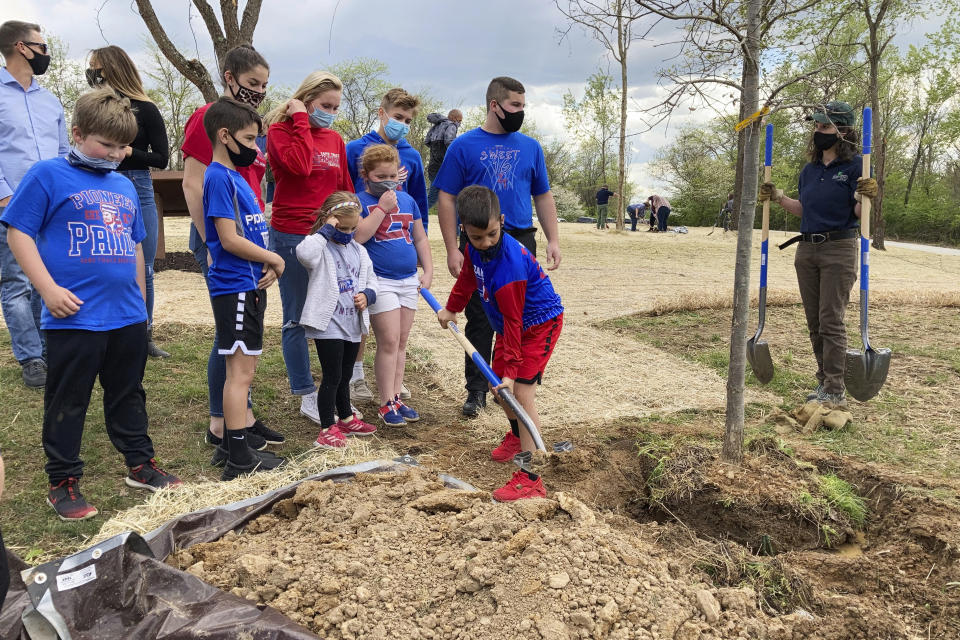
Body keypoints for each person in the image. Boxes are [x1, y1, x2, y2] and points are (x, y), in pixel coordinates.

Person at [1, 89, 182, 520]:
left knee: (128, 394)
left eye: (124, 147)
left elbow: (136, 245)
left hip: (126, 316)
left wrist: (140, 300)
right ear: (78, 134)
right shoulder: (46, 175)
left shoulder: (121, 183)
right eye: (108, 145)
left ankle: (140, 464)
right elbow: (18, 234)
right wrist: (46, 290)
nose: (117, 154)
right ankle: (63, 480)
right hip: (74, 317)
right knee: (69, 399)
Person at [434, 76, 561, 417]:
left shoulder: (531, 147)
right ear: (495, 105)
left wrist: (553, 239)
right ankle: (477, 389)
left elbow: (543, 194)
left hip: (518, 238)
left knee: (513, 314)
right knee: (479, 317)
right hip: (476, 239)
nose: (520, 112)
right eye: (515, 105)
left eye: (523, 106)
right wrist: (452, 248)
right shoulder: (463, 146)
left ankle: (515, 379)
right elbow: (445, 196)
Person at [181, 44, 283, 452]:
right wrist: (212, 244)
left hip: (249, 240)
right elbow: (192, 184)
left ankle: (244, 418)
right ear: (229, 77)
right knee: (230, 336)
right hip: (223, 240)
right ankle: (222, 423)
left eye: (264, 85)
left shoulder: (248, 125)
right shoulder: (208, 119)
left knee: (243, 337)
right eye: (252, 83)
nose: (258, 91)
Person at [438, 186, 564, 501]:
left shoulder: (510, 267)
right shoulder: (472, 248)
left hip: (537, 325)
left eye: (493, 234)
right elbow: (467, 278)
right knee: (501, 391)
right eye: (477, 237)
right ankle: (515, 434)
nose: (486, 243)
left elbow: (513, 322)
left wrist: (510, 370)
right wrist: (452, 308)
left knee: (518, 393)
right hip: (511, 328)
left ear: (502, 221)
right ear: (463, 229)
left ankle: (531, 476)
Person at [760, 101, 877, 407]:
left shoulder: (855, 168)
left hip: (839, 248)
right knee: (814, 321)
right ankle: (824, 380)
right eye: (816, 126)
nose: (818, 131)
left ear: (844, 131)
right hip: (807, 249)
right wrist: (779, 197)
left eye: (825, 126)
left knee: (830, 320)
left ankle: (836, 389)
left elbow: (856, 211)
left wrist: (866, 196)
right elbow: (804, 210)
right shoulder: (809, 171)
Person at [263, 71, 356, 425]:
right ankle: (306, 394)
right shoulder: (281, 132)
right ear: (306, 100)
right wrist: (300, 119)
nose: (330, 113)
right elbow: (300, 167)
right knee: (297, 318)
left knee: (334, 314)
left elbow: (344, 188)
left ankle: (334, 393)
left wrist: (350, 225)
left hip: (330, 237)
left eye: (335, 107)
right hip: (292, 236)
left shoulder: (335, 138)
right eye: (324, 106)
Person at [201, 98, 286, 480]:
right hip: (234, 286)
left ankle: (233, 446)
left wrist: (266, 262)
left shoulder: (237, 177)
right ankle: (238, 458)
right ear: (224, 135)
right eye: (250, 139)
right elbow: (228, 238)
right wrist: (276, 258)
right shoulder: (218, 176)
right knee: (240, 373)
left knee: (244, 369)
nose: (256, 148)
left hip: (249, 283)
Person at [345, 88, 428, 404]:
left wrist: (420, 255)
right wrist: (379, 188)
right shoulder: (355, 148)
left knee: (393, 327)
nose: (402, 124)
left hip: (398, 247)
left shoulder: (412, 156)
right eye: (397, 117)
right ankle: (356, 376)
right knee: (363, 319)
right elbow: (347, 194)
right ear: (381, 113)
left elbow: (418, 204)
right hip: (363, 245)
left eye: (407, 121)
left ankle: (392, 381)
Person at [87, 45, 171, 359]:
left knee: (143, 266)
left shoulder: (145, 108)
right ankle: (104, 330)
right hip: (99, 186)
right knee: (102, 261)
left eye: (96, 66)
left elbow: (161, 158)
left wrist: (129, 151)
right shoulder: (96, 108)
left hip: (137, 186)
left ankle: (143, 335)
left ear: (111, 68)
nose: (92, 72)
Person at [0, 20, 69, 389]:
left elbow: (61, 151)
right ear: (21, 47)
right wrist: (5, 196)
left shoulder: (50, 101)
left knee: (49, 278)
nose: (46, 53)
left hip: (51, 206)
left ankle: (50, 348)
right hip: (9, 205)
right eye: (42, 46)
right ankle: (31, 358)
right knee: (16, 284)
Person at [355, 144, 433, 426]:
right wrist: (382, 209)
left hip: (407, 280)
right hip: (380, 280)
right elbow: (360, 236)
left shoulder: (409, 201)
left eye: (393, 176)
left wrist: (428, 269)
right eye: (380, 177)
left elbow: (420, 237)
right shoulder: (359, 201)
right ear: (366, 176)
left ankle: (397, 396)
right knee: (387, 341)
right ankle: (385, 401)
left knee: (401, 342)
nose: (388, 182)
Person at [297, 192, 379, 447]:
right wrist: (325, 230)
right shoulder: (320, 247)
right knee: (331, 377)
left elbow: (371, 280)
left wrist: (368, 295)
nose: (348, 233)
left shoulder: (359, 251)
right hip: (329, 325)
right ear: (329, 221)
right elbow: (304, 255)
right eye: (343, 228)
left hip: (352, 324)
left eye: (354, 228)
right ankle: (326, 428)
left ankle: (345, 417)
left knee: (345, 376)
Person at [425, 109, 462, 211]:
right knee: (441, 191)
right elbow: (449, 141)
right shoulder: (452, 125)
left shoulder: (436, 126)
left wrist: (435, 149)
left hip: (433, 162)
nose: (460, 124)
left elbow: (427, 141)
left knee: (434, 187)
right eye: (460, 121)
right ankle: (420, 211)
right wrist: (456, 155)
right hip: (443, 162)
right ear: (455, 119)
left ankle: (420, 205)